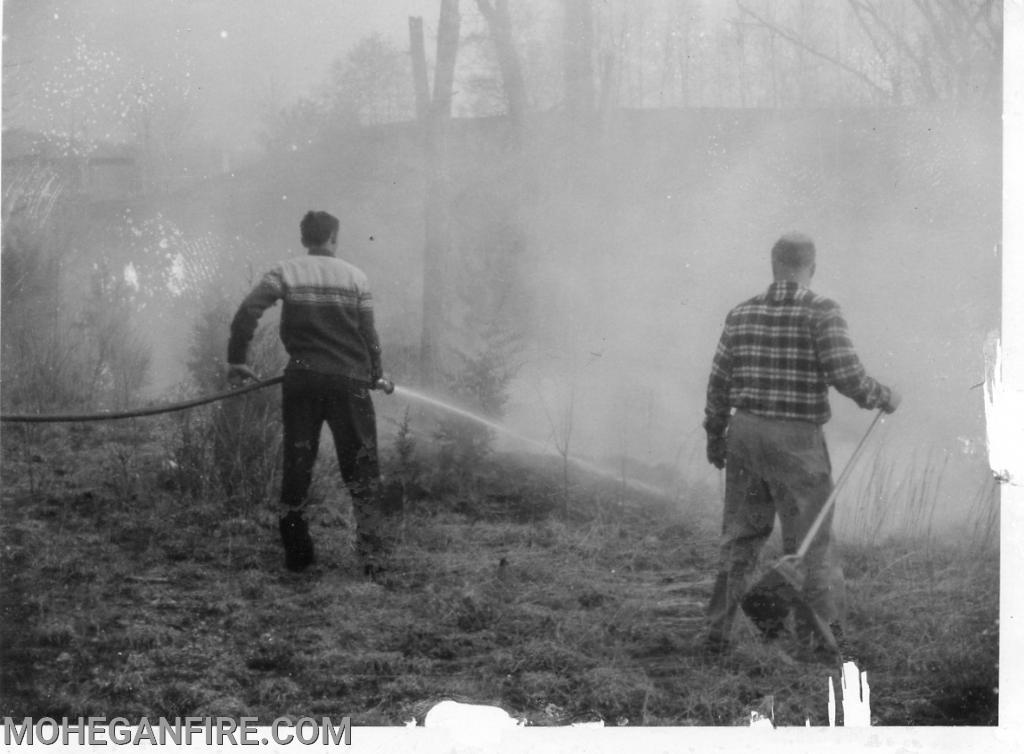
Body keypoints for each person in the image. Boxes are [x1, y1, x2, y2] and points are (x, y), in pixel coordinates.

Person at [702, 232, 900, 658]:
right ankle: (826, 647)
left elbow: (718, 383)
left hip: (746, 433)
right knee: (812, 546)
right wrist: (881, 396)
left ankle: (716, 635)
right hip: (797, 441)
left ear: (773, 265)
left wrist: (714, 436)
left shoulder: (741, 313)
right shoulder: (822, 311)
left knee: (739, 540)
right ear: (811, 267)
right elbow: (846, 374)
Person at [226, 210, 395, 575]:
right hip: (350, 383)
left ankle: (298, 555)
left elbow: (247, 311)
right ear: (334, 237)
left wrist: (237, 359)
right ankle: (373, 559)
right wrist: (375, 375)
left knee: (297, 466)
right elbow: (370, 337)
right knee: (362, 469)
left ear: (305, 240)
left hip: (301, 381)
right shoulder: (356, 277)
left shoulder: (285, 272)